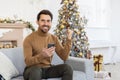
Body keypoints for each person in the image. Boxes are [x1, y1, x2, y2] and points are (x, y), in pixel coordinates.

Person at [23, 9, 73, 80]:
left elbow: (64, 57)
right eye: (43, 20)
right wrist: (42, 56)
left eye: (48, 21)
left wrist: (69, 39)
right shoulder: (29, 39)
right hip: (32, 70)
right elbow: (27, 62)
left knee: (67, 68)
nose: (46, 24)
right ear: (37, 22)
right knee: (36, 71)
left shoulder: (53, 38)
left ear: (51, 23)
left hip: (48, 69)